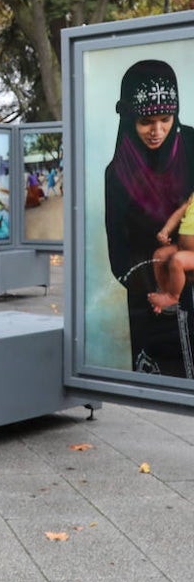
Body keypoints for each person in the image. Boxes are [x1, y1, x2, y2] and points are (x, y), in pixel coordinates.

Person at [105, 58, 194, 377]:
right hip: (150, 304)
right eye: (146, 122)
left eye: (166, 119)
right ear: (129, 119)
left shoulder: (193, 147)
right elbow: (118, 252)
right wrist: (158, 288)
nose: (157, 131)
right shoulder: (117, 174)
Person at [147, 191, 194, 315]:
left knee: (177, 260)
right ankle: (165, 293)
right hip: (182, 247)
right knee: (159, 256)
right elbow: (179, 213)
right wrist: (165, 231)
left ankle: (173, 296)